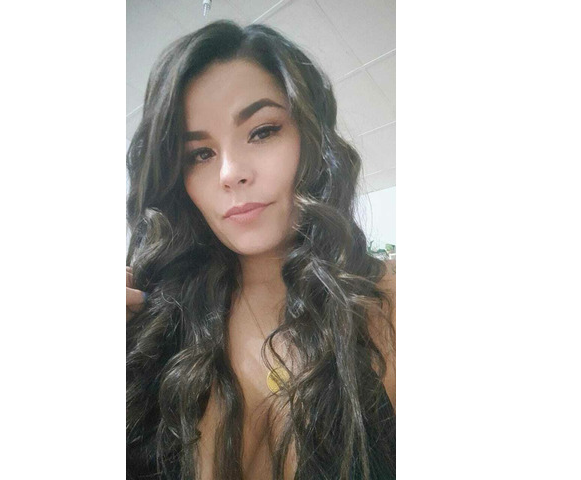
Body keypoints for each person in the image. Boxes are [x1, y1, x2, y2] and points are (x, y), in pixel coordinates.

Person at [125, 20, 395, 480]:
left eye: (262, 131)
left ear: (310, 139)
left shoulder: (386, 305)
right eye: (200, 154)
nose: (230, 172)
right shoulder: (153, 320)